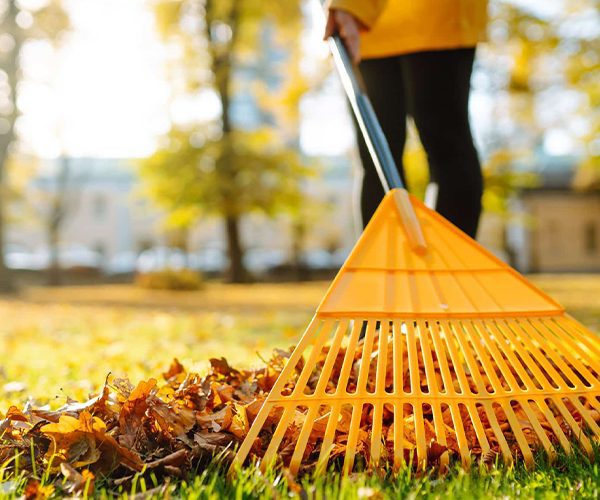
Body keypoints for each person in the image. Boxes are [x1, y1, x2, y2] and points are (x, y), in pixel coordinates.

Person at [324, 0, 488, 238]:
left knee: (445, 145)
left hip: (432, 16)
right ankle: (388, 268)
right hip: (365, 30)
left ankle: (445, 267)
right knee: (376, 156)